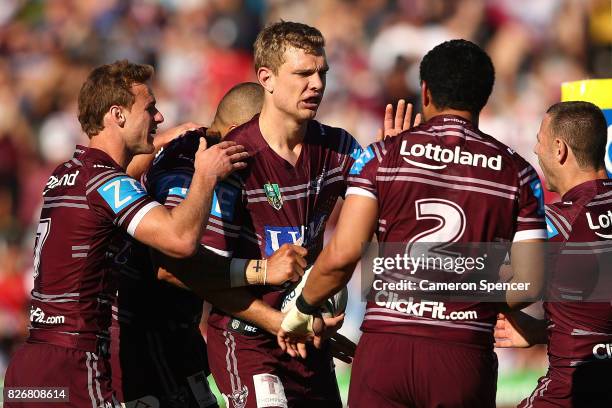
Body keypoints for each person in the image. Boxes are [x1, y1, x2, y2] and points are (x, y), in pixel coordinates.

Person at [279, 39, 548, 407]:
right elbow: (528, 285)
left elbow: (341, 255)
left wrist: (302, 309)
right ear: (485, 96)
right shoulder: (519, 174)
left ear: (425, 91)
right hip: (462, 353)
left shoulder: (381, 157)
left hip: (386, 348)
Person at [2, 60, 249, 408]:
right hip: (74, 362)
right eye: (150, 108)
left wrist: (158, 142)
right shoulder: (107, 183)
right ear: (117, 115)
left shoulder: (67, 172)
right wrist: (205, 176)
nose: (159, 117)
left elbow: (117, 178)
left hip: (29, 367)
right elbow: (179, 240)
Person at [185, 21, 366, 408]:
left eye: (322, 73)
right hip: (247, 336)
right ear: (266, 78)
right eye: (303, 73)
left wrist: (397, 159)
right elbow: (202, 274)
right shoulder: (234, 158)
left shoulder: (338, 147)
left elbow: (390, 213)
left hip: (306, 337)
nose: (316, 84)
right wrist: (275, 315)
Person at [110, 81, 289, 408]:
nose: (276, 145)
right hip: (145, 337)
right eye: (268, 133)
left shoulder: (198, 148)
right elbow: (174, 269)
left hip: (178, 333)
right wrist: (262, 276)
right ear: (238, 131)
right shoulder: (201, 162)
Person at [494, 101, 612, 407]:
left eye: (539, 139)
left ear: (559, 149)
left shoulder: (558, 222)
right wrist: (548, 331)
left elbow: (482, 281)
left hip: (573, 392)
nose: (535, 149)